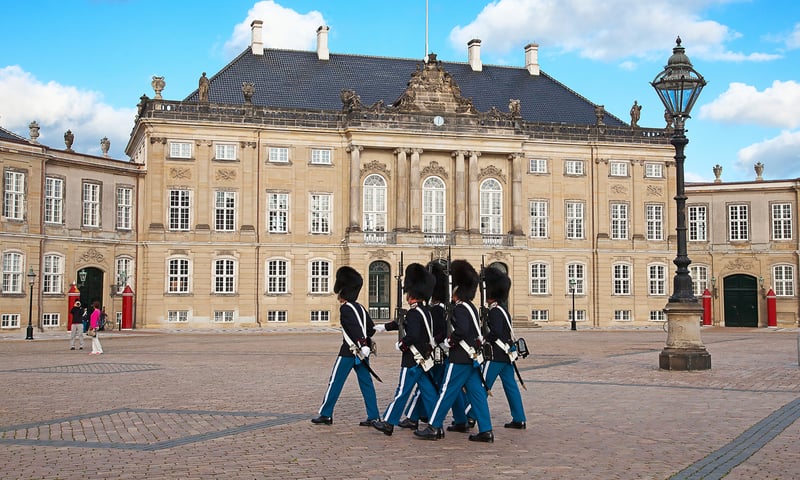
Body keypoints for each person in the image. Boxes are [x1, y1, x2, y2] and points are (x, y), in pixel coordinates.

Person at [414, 260, 494, 442]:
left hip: (459, 358)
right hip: (471, 357)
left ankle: (434, 426)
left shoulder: (460, 308)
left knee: (446, 391)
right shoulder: (470, 306)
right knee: (477, 393)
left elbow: (462, 330)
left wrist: (449, 342)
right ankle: (486, 430)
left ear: (456, 288)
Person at [372, 263, 439, 436]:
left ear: (412, 295)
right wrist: (384, 327)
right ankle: (436, 423)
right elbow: (403, 323)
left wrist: (402, 344)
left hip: (412, 358)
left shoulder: (414, 313)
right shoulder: (425, 311)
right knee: (429, 392)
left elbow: (413, 334)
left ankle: (388, 422)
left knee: (402, 392)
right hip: (423, 358)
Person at [312, 266, 380, 426]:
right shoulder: (360, 308)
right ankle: (374, 415)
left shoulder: (346, 309)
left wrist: (360, 342)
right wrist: (364, 343)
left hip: (349, 352)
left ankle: (326, 414)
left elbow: (354, 328)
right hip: (362, 353)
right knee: (367, 384)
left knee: (335, 382)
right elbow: (370, 328)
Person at [397, 260, 449, 430]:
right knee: (430, 386)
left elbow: (437, 332)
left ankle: (426, 418)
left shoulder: (436, 310)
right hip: (434, 351)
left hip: (434, 351)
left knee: (433, 387)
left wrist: (432, 342)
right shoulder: (436, 308)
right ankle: (416, 416)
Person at [482, 267, 527, 429]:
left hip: (496, 355)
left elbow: (495, 332)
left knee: (482, 386)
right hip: (507, 354)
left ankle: (471, 415)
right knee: (511, 386)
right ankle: (519, 418)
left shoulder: (494, 311)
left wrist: (483, 340)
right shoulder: (503, 310)